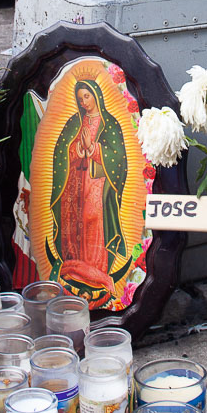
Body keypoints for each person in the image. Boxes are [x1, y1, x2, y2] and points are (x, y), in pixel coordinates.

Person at [46, 80, 132, 304]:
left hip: (97, 183)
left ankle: (95, 271)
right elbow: (60, 153)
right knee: (74, 223)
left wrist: (94, 150)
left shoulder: (109, 124)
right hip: (74, 183)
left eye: (87, 96)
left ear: (97, 96)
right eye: (81, 97)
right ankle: (73, 267)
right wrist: (76, 149)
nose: (84, 102)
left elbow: (119, 160)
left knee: (93, 221)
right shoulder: (74, 122)